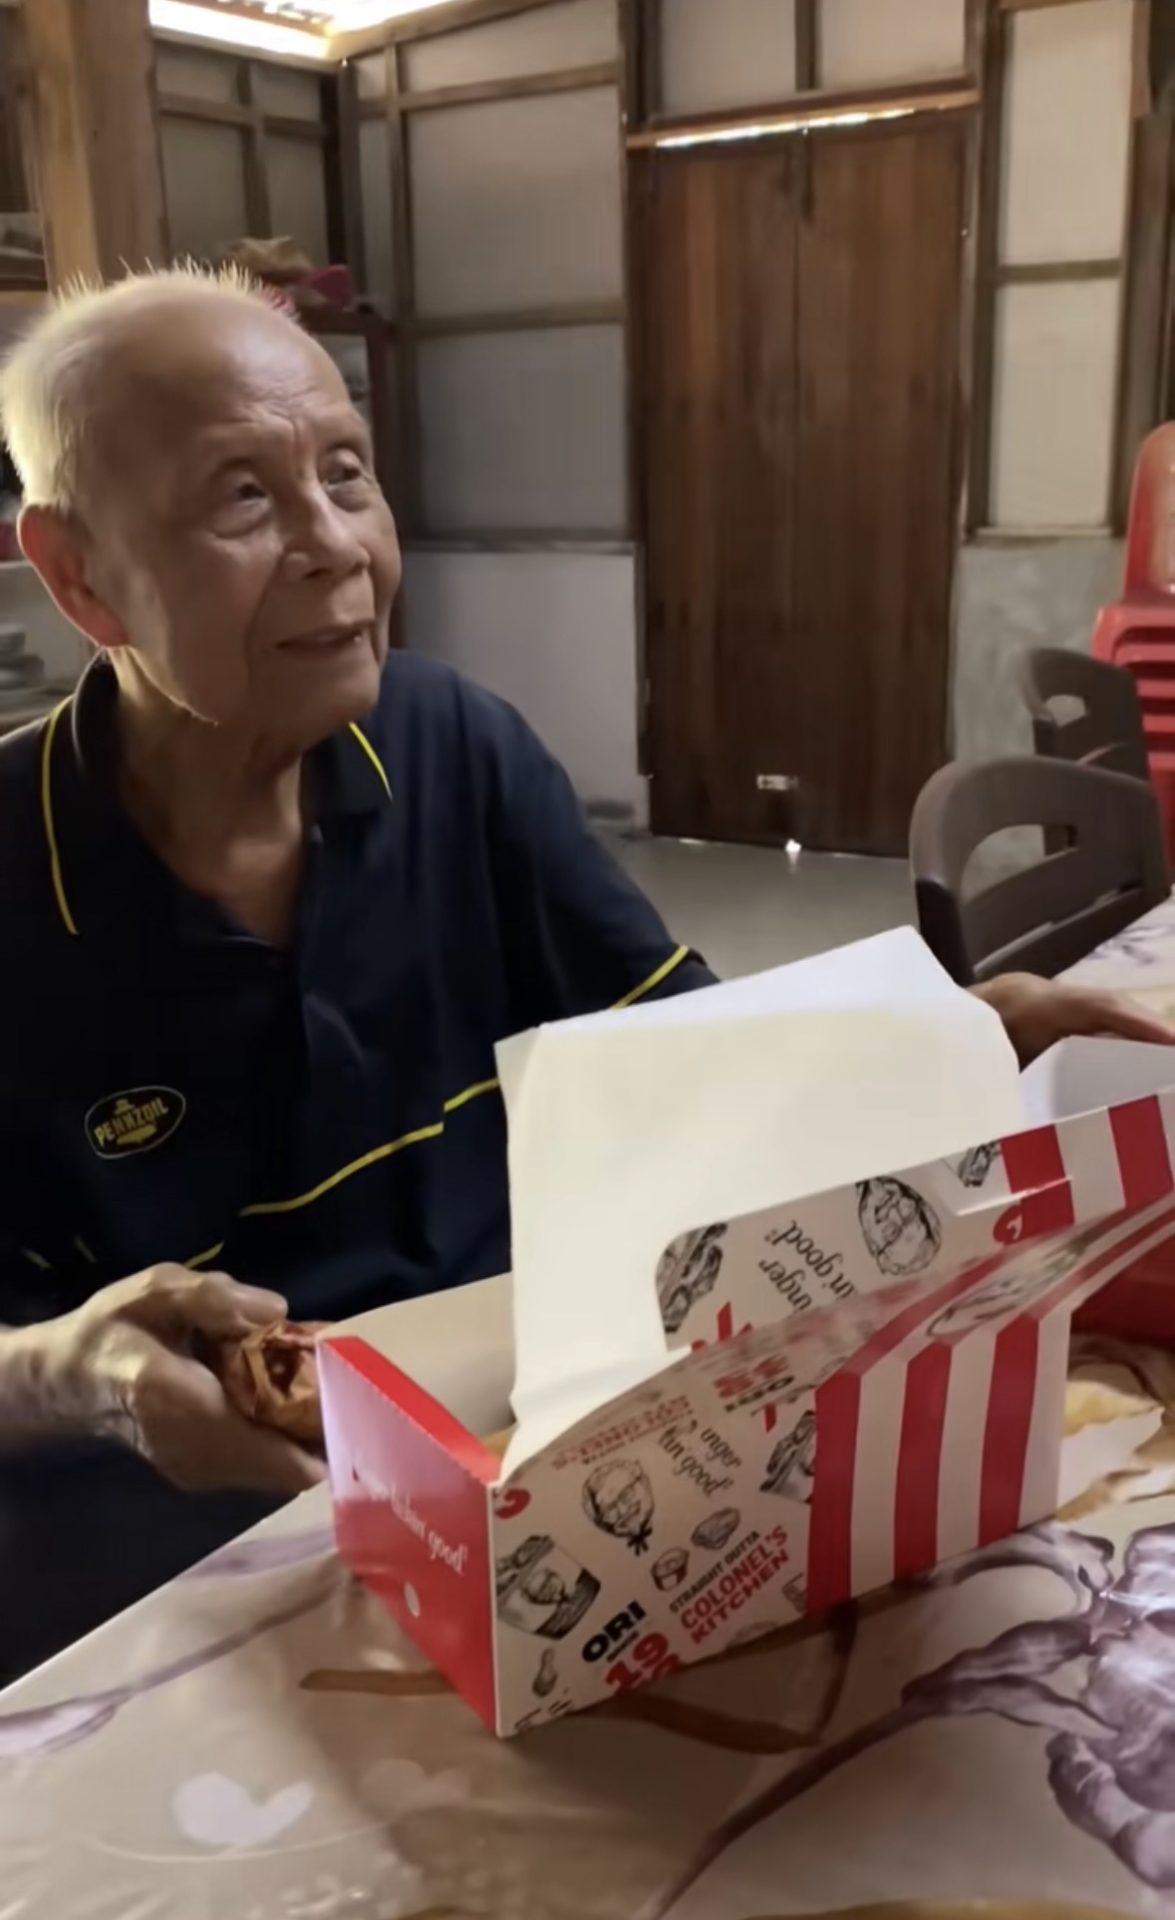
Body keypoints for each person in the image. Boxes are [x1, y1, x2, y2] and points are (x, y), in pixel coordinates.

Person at [0, 269, 1166, 1676]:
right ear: (76, 576)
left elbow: (679, 1059)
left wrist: (941, 1036)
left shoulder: (452, 749)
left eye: (348, 475)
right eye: (242, 498)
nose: (337, 548)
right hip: (168, 1551)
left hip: (515, 1469)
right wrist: (75, 1379)